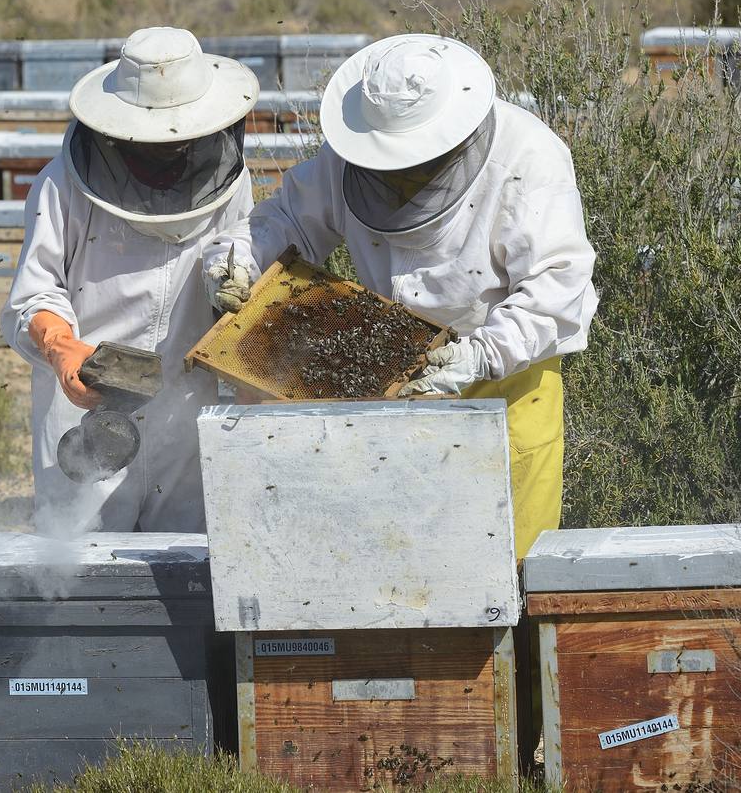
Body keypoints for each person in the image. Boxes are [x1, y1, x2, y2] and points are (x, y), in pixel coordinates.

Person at [205, 33, 597, 561]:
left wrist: (477, 357)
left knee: (506, 582)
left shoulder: (529, 158)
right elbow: (288, 217)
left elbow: (557, 289)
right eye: (388, 163)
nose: (401, 176)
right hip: (382, 388)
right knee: (397, 572)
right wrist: (239, 261)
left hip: (503, 389)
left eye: (413, 163)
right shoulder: (350, 158)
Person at [1, 26, 259, 534]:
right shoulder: (61, 185)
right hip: (86, 409)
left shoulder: (231, 183)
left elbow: (238, 249)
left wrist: (233, 277)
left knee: (182, 578)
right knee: (79, 579)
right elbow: (34, 292)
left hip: (184, 412)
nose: (167, 151)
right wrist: (61, 346)